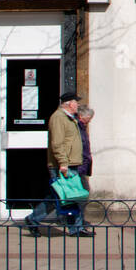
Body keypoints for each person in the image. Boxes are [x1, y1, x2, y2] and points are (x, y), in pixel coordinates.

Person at [24, 89, 92, 237]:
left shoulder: (70, 117)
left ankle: (76, 228)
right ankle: (33, 219)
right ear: (69, 104)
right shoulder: (58, 118)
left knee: (71, 196)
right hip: (63, 165)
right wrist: (63, 162)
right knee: (60, 197)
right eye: (75, 102)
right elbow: (57, 143)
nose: (77, 105)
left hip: (72, 163)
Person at [77, 105, 94, 192]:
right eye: (89, 117)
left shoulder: (82, 128)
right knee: (84, 191)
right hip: (78, 165)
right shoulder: (76, 127)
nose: (90, 120)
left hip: (82, 166)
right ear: (81, 116)